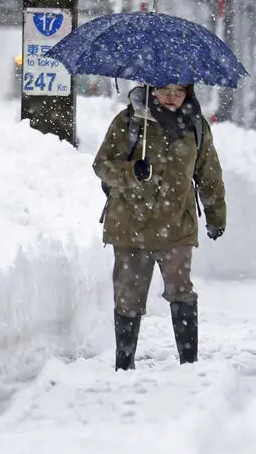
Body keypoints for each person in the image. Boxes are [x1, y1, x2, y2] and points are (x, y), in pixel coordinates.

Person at [92, 82, 227, 370]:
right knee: (128, 299)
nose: (171, 98)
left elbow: (209, 174)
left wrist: (216, 217)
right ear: (152, 90)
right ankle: (124, 365)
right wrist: (130, 171)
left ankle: (189, 363)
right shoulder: (128, 121)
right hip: (130, 227)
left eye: (179, 92)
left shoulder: (196, 126)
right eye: (165, 90)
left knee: (182, 292)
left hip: (177, 226)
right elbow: (102, 165)